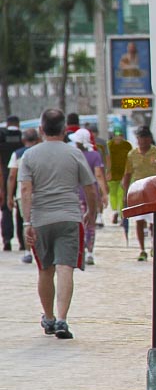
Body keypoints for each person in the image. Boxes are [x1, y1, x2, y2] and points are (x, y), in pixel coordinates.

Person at [19, 109, 98, 339]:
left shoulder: (29, 156)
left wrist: (27, 223)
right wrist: (91, 212)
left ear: (42, 130)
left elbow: (25, 189)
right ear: (65, 130)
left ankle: (49, 317)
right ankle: (63, 320)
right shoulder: (74, 154)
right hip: (69, 217)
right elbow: (90, 187)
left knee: (45, 269)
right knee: (65, 268)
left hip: (41, 219)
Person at [121, 126, 156, 261]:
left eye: (145, 138)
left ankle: (154, 246)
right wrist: (125, 194)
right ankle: (142, 249)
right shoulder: (132, 155)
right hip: (138, 191)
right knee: (139, 221)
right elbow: (127, 174)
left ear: (149, 139)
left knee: (154, 222)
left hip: (154, 190)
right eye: (140, 138)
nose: (142, 141)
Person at [68, 129, 108, 265]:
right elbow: (99, 175)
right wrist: (104, 193)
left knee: (78, 224)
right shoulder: (95, 155)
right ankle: (90, 252)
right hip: (92, 194)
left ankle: (80, 250)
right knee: (91, 223)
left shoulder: (74, 155)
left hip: (76, 194)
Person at [7, 128, 40, 263]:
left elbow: (12, 176)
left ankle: (27, 251)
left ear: (23, 139)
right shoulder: (40, 153)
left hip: (22, 193)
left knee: (26, 222)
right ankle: (39, 249)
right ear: (37, 139)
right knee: (39, 222)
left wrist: (10, 196)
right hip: (39, 193)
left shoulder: (17, 154)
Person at [1, 115, 22, 251]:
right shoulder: (23, 139)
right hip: (21, 178)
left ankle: (7, 239)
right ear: (18, 124)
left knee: (6, 210)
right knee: (21, 208)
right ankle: (23, 241)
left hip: (4, 176)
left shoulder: (2, 138)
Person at [106, 127, 132, 224]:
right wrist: (107, 172)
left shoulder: (127, 145)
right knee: (113, 194)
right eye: (116, 135)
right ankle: (115, 212)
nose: (118, 137)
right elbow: (106, 159)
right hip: (112, 173)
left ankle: (121, 215)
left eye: (120, 135)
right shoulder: (109, 145)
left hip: (123, 174)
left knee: (121, 194)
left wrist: (128, 173)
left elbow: (130, 160)